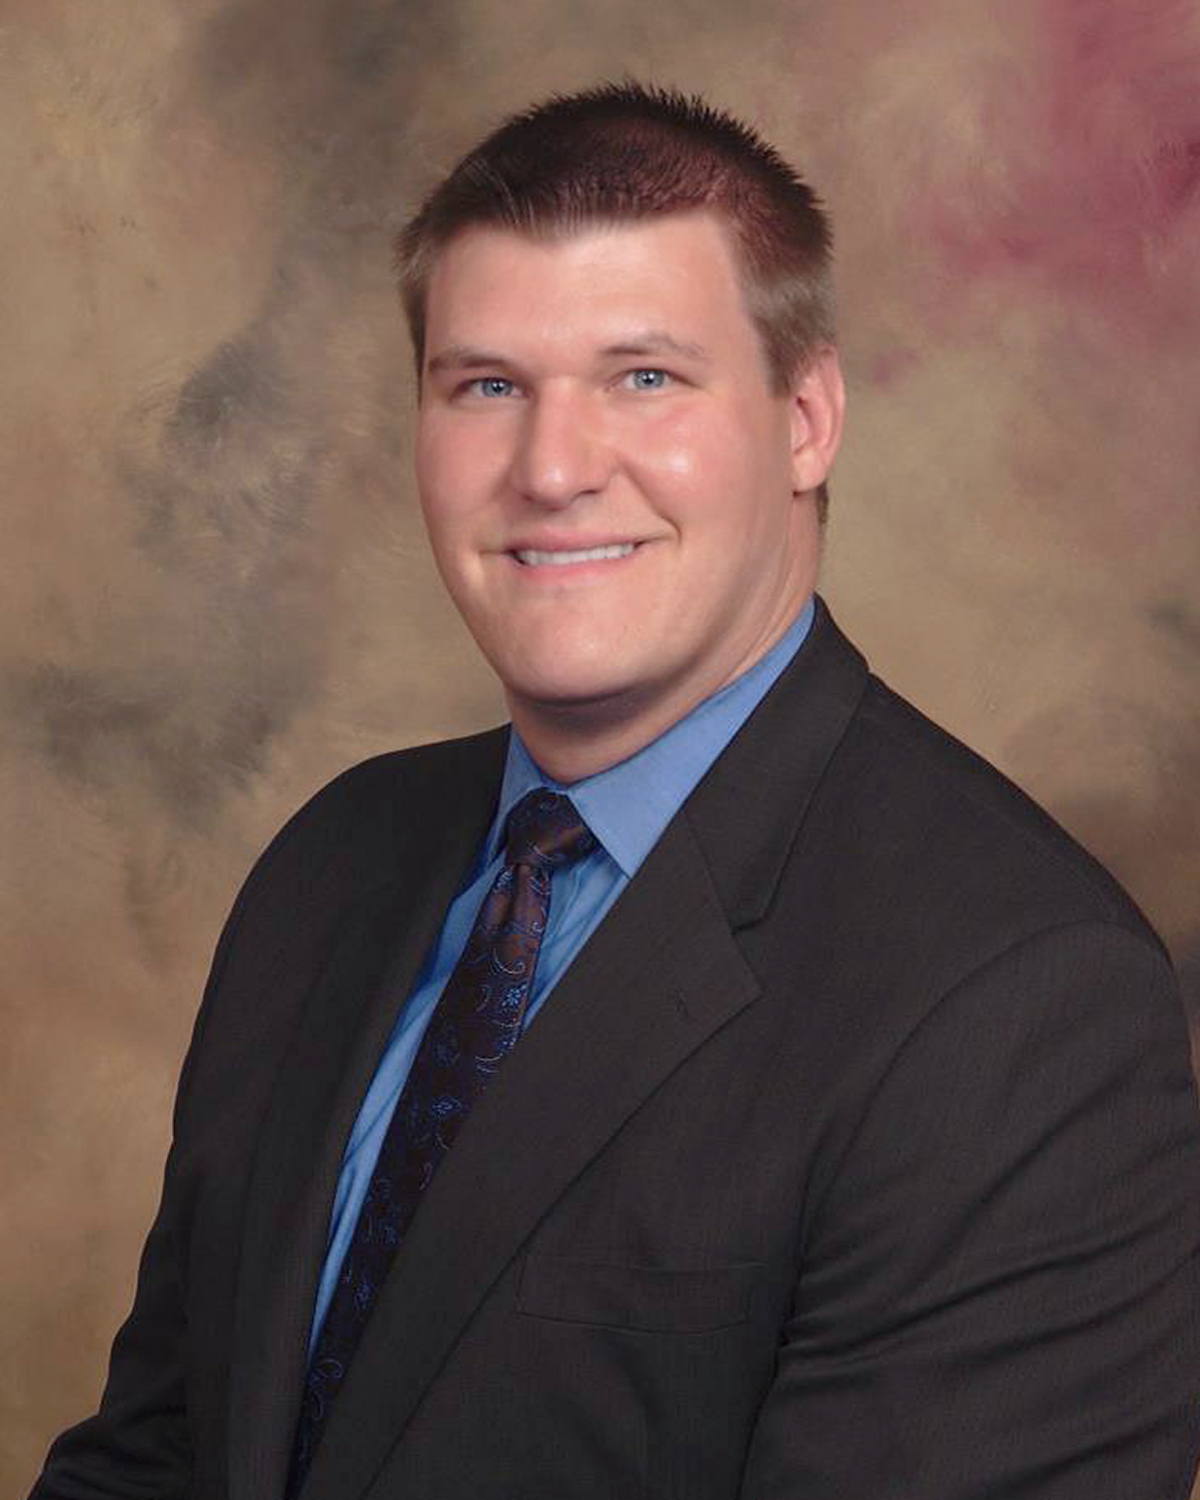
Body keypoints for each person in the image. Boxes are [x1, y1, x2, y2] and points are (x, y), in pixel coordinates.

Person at [30, 80, 1200, 1500]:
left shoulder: (1021, 1004)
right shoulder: (330, 866)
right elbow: (158, 1463)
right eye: (487, 386)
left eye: (644, 377)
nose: (552, 468)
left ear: (808, 418)